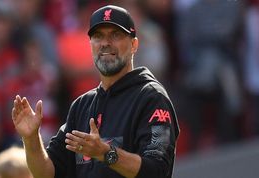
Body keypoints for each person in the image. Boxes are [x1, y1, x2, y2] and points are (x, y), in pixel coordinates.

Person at [12, 5, 179, 178]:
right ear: (90, 45)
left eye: (115, 35)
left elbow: (157, 171)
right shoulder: (81, 106)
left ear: (134, 44)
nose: (106, 43)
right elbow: (48, 173)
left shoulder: (152, 98)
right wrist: (31, 139)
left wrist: (106, 153)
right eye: (98, 36)